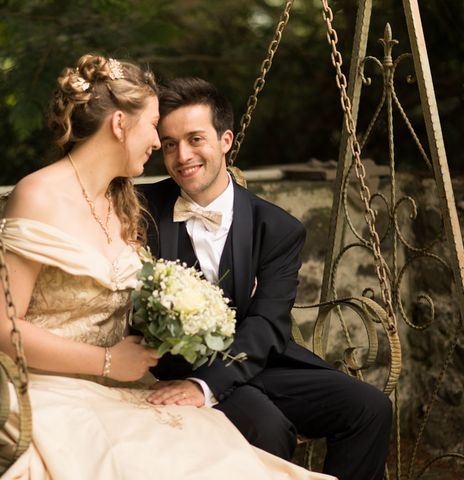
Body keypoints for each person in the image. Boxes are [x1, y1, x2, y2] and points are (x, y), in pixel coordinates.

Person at [0, 55, 336, 479]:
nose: (160, 143)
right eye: (153, 125)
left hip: (125, 387)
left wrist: (205, 310)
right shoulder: (38, 194)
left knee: (229, 459)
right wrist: (107, 362)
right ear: (120, 124)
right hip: (48, 390)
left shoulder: (123, 204)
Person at [139, 77, 392, 480]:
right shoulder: (141, 210)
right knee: (267, 427)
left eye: (195, 139)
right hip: (174, 366)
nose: (182, 155)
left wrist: (206, 386)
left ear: (225, 140)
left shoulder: (276, 227)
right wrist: (195, 383)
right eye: (169, 144)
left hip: (260, 360)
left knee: (370, 407)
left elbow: (266, 324)